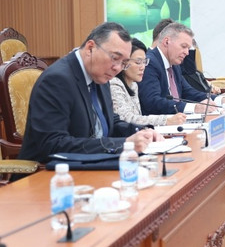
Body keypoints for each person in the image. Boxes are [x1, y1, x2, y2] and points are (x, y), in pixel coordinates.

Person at [19, 22, 159, 164]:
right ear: (90, 48)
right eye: (115, 58)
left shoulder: (99, 75)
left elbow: (111, 122)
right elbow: (53, 144)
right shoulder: (57, 80)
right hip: (48, 173)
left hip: (92, 163)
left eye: (124, 63)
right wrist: (124, 144)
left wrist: (142, 131)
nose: (117, 68)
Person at [139, 22, 215, 115]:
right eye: (183, 46)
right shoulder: (150, 63)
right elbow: (152, 102)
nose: (187, 53)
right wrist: (194, 108)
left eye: (188, 48)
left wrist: (220, 100)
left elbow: (188, 92)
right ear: (166, 41)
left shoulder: (174, 64)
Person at [110, 38, 187, 127]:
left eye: (144, 62)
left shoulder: (133, 85)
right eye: (138, 62)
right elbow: (127, 118)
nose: (143, 67)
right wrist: (166, 120)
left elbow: (137, 117)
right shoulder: (114, 84)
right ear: (124, 62)